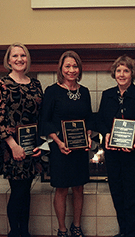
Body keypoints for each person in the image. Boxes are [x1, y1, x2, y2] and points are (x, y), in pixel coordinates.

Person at [97, 55, 135, 237]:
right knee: (118, 194)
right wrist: (106, 134)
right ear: (114, 73)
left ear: (132, 74)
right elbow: (100, 121)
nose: (122, 74)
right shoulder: (107, 95)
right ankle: (123, 231)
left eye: (126, 70)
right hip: (113, 156)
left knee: (134, 198)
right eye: (119, 70)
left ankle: (132, 233)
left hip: (134, 155)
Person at [39, 50, 93, 237]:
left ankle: (76, 226)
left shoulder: (84, 92)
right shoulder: (52, 91)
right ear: (61, 69)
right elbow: (45, 121)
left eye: (75, 66)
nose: (71, 70)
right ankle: (62, 229)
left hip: (78, 149)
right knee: (61, 189)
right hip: (60, 149)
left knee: (79, 188)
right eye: (67, 66)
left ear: (80, 69)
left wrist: (87, 136)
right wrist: (58, 142)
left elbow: (88, 119)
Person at [0, 43, 43, 237]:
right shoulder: (1, 84)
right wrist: (14, 146)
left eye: (23, 55)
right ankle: (15, 233)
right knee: (18, 192)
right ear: (8, 60)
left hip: (31, 146)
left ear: (27, 59)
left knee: (25, 191)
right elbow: (0, 117)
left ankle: (25, 232)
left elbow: (40, 116)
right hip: (12, 148)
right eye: (15, 56)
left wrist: (40, 144)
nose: (19, 59)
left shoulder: (35, 84)